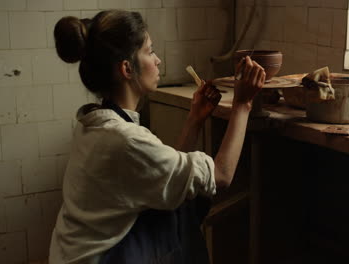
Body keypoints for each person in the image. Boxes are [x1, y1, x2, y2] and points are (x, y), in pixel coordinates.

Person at [49, 9, 265, 264]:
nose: (158, 60)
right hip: (100, 259)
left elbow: (164, 176)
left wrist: (195, 119)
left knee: (177, 198)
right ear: (127, 68)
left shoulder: (97, 124)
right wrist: (242, 105)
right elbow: (221, 176)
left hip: (72, 255)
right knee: (185, 208)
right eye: (150, 51)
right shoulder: (125, 140)